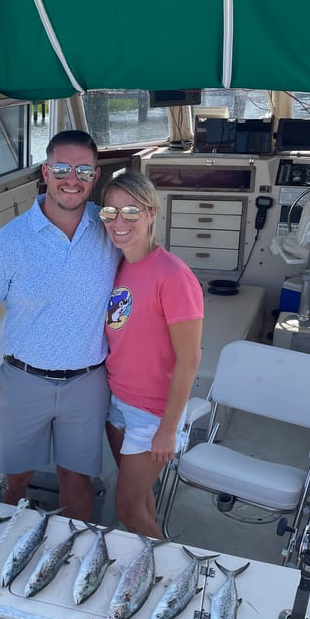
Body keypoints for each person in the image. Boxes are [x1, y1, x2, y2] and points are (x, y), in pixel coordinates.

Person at [0, 129, 120, 520]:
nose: (72, 179)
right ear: (45, 172)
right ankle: (6, 544)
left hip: (88, 381)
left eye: (84, 170)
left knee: (78, 479)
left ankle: (74, 556)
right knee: (15, 479)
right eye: (63, 168)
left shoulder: (111, 231)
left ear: (95, 177)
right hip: (24, 380)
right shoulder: (7, 243)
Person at [100, 170, 203, 539]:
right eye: (109, 213)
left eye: (130, 211)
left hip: (151, 413)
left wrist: (168, 430)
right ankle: (150, 561)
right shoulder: (116, 266)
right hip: (117, 402)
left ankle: (170, 575)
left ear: (151, 213)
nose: (119, 221)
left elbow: (190, 358)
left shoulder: (173, 276)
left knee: (125, 507)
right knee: (140, 500)